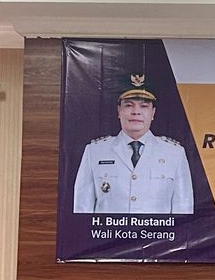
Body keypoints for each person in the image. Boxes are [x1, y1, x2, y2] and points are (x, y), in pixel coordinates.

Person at [73, 76, 194, 215]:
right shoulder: (95, 152)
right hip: (109, 230)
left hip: (156, 230)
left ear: (153, 113)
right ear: (119, 111)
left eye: (144, 106)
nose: (136, 111)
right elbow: (82, 210)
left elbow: (183, 211)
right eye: (129, 105)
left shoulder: (174, 153)